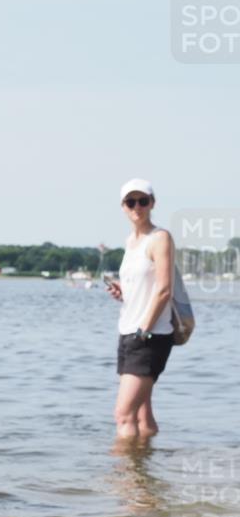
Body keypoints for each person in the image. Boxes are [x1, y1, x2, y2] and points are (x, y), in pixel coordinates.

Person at [105, 179, 175, 441]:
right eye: (130, 202)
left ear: (152, 203)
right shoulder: (130, 242)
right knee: (142, 415)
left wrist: (143, 330)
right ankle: (147, 475)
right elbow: (145, 285)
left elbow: (164, 289)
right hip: (128, 331)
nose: (137, 207)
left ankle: (124, 479)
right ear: (123, 207)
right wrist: (124, 292)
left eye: (142, 201)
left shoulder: (160, 238)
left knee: (123, 414)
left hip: (149, 335)